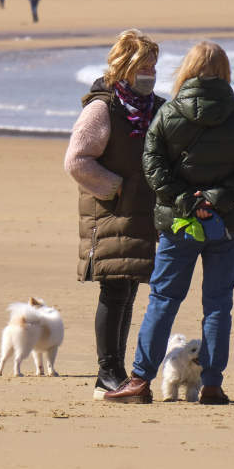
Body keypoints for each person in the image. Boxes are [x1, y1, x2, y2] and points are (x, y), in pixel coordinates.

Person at [104, 41, 234, 405]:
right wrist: (218, 198)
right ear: (225, 73)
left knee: (163, 299)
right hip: (226, 223)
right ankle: (210, 383)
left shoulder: (169, 113)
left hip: (179, 222)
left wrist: (184, 199)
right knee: (218, 304)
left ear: (187, 70)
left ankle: (139, 381)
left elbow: (153, 166)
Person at [64, 29, 164, 399]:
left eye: (154, 64)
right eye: (145, 63)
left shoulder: (157, 107)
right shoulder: (102, 108)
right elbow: (76, 161)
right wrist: (117, 187)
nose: (151, 70)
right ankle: (107, 372)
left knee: (129, 290)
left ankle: (116, 371)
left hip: (144, 213)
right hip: (110, 213)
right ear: (125, 65)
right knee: (114, 290)